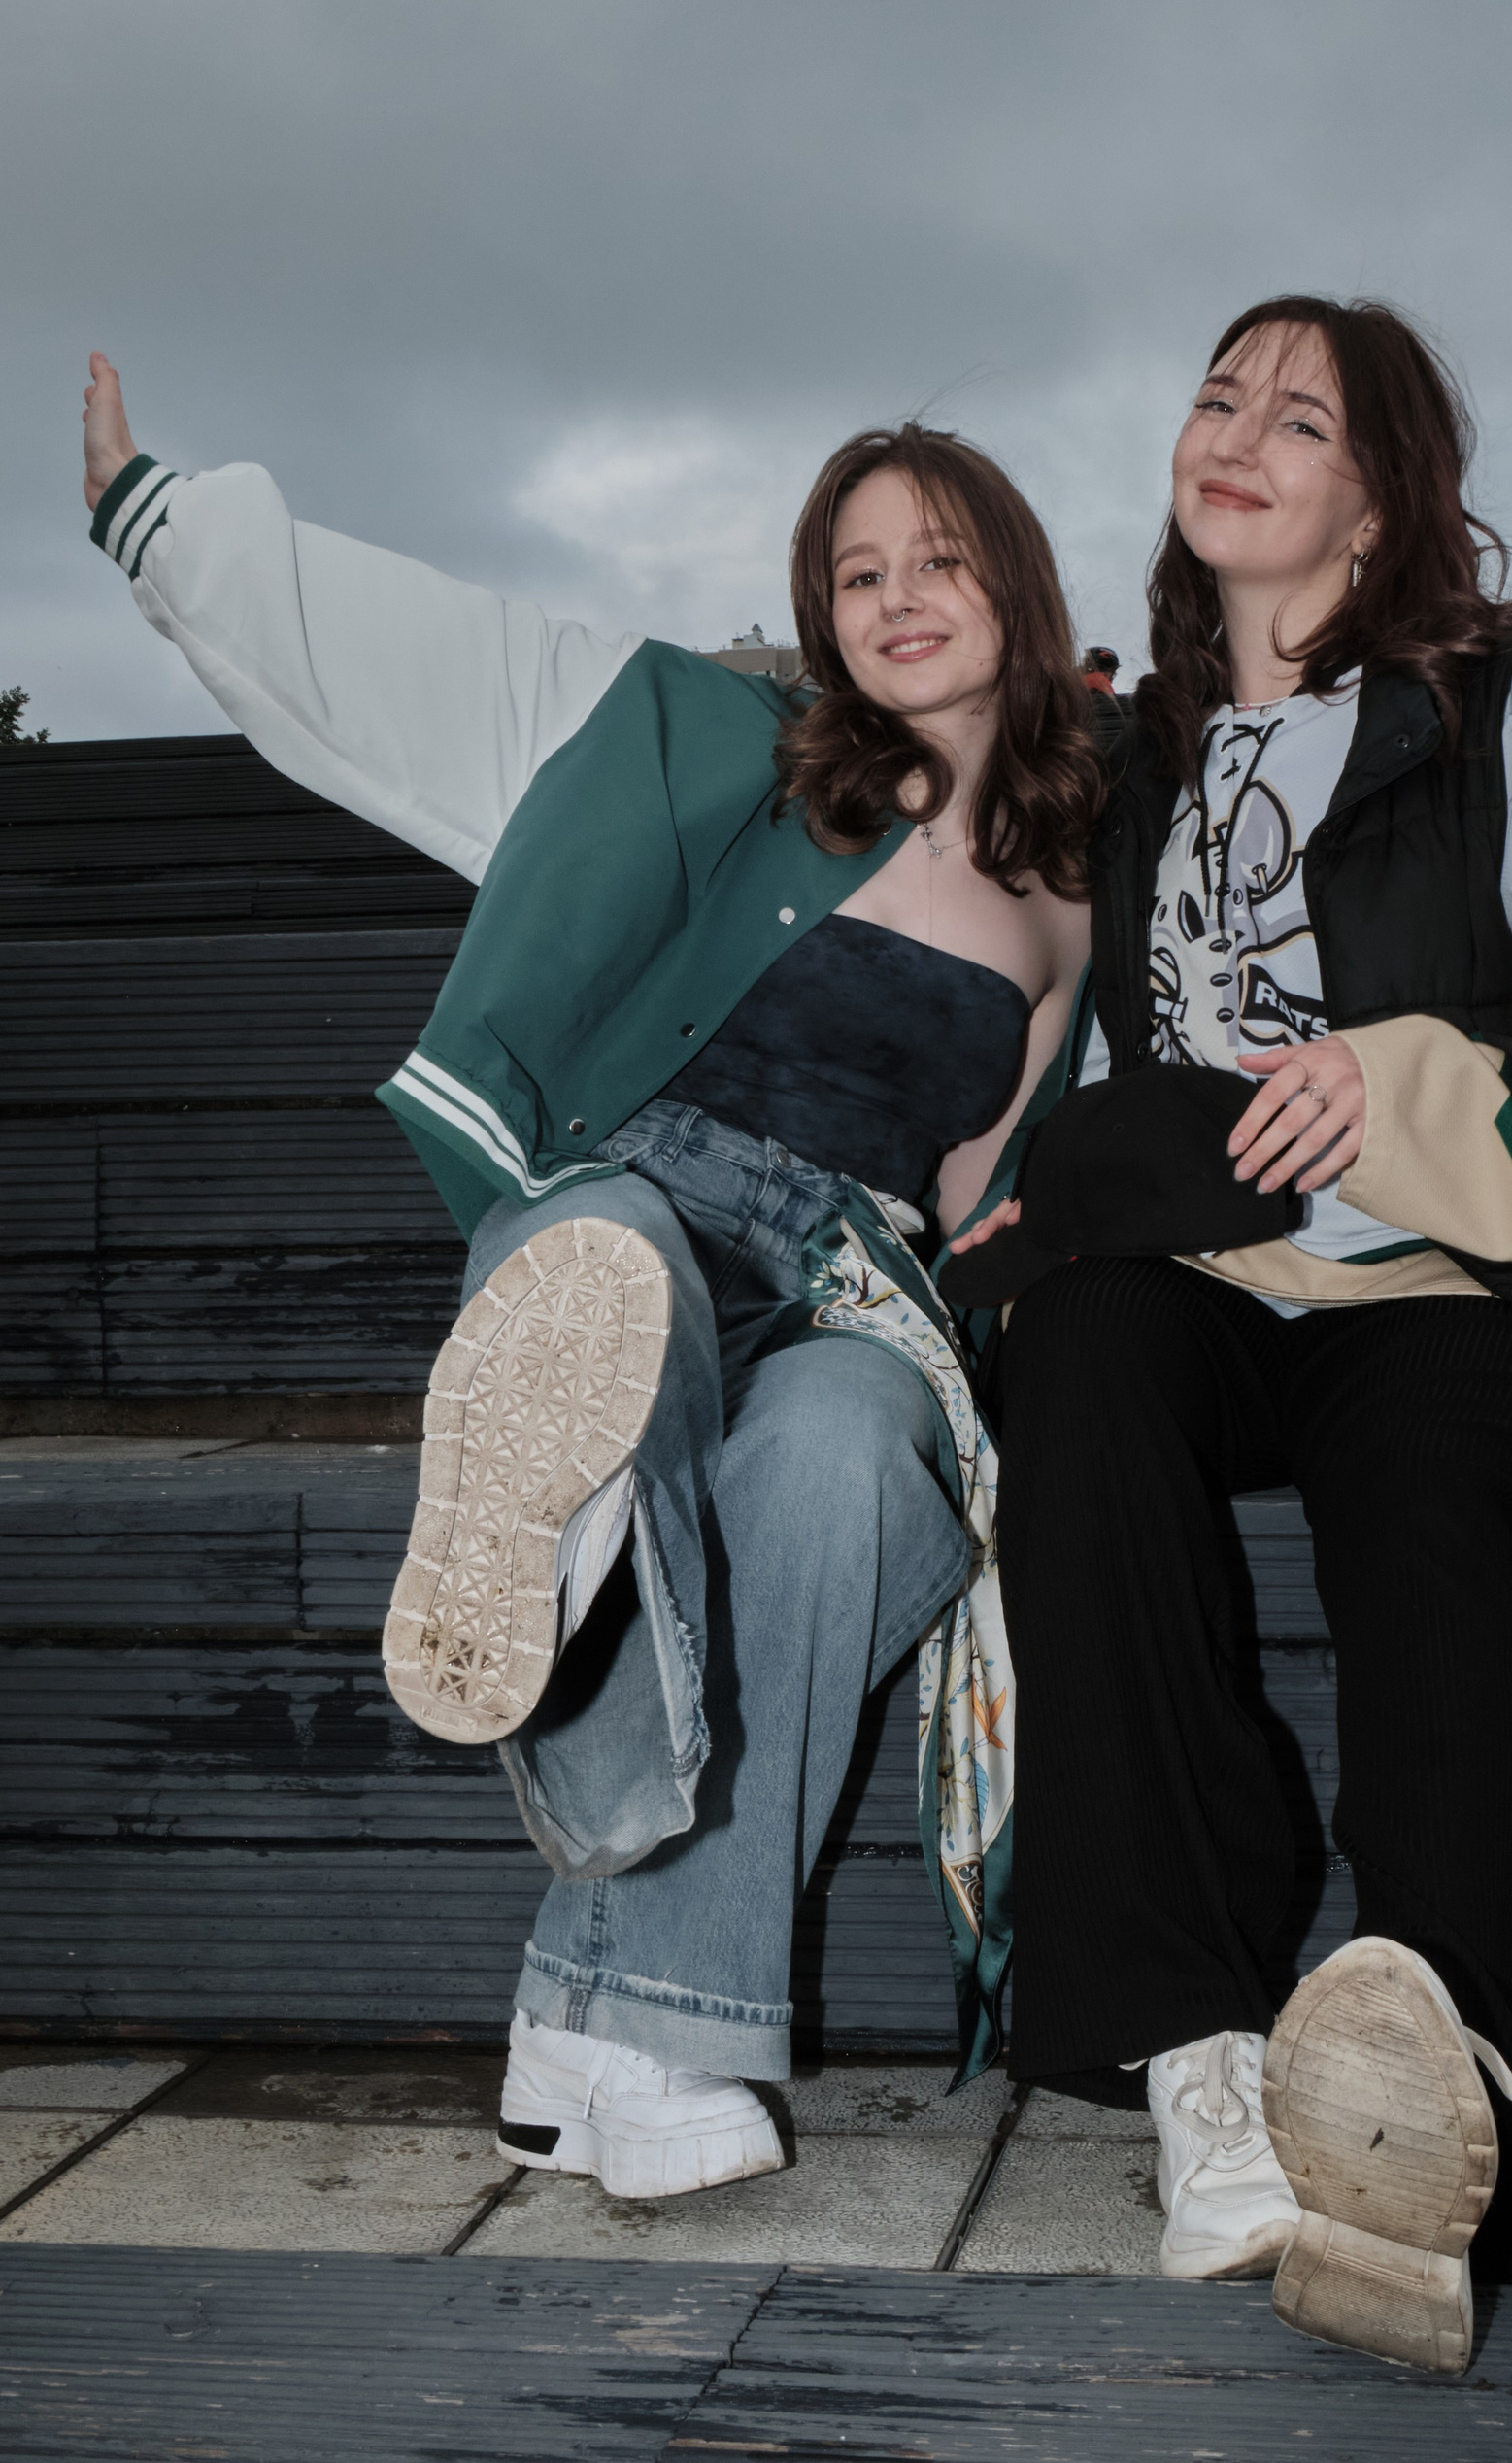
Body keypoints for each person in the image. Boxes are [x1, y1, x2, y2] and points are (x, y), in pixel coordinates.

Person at [81, 357, 1096, 2201]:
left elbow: (988, 1196)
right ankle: (567, 1507)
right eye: (858, 572)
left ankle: (584, 2007)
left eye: (938, 558)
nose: (897, 598)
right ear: (820, 615)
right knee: (609, 1299)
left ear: (1016, 583)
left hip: (849, 1280)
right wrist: (169, 529)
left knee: (847, 1463)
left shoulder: (1069, 898)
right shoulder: (734, 747)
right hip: (632, 1196)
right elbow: (435, 666)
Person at [953, 296, 1512, 2369]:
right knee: (1077, 1368)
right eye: (1218, 396)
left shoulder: (1502, 723)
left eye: (1302, 419)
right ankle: (1194, 2047)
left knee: (1439, 1476)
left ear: (1376, 503)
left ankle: (1438, 2110)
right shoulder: (1140, 766)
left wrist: (1409, 1076)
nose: (1237, 433)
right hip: (1217, 1277)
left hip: (1456, 1265)